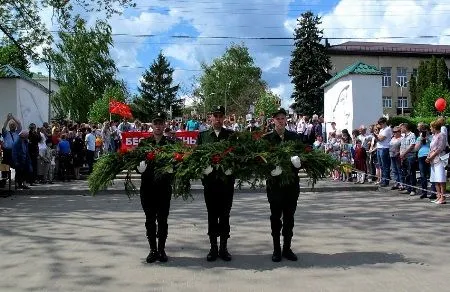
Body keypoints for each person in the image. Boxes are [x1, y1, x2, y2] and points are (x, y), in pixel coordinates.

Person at [196, 105, 235, 262]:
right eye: (215, 116)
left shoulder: (231, 135)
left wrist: (231, 169)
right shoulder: (203, 136)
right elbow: (197, 158)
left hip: (226, 184)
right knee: (212, 215)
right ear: (210, 117)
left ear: (224, 118)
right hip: (210, 184)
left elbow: (236, 157)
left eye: (220, 116)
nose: (218, 119)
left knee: (225, 215)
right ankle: (213, 247)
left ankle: (223, 248)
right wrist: (203, 170)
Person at [263, 107, 301, 262]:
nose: (280, 121)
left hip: (291, 184)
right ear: (273, 121)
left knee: (289, 218)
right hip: (275, 185)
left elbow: (304, 155)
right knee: (275, 218)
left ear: (286, 120)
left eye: (283, 118)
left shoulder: (294, 137)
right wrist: (270, 169)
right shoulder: (267, 139)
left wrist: (299, 163)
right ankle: (276, 249)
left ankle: (287, 248)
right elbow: (261, 161)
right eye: (277, 118)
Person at [139, 112, 175, 263]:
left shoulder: (170, 144)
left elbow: (178, 161)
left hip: (163, 188)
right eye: (156, 123)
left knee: (162, 219)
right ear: (152, 125)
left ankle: (161, 249)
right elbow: (136, 160)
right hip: (147, 187)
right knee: (149, 220)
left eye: (161, 123)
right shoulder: (144, 143)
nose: (158, 126)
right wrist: (138, 168)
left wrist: (173, 168)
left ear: (164, 125)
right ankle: (152, 249)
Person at [426, 120, 447, 204]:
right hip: (433, 160)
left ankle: (443, 197)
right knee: (435, 179)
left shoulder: (441, 135)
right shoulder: (434, 136)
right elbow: (431, 148)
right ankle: (438, 196)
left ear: (435, 127)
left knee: (441, 179)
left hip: (439, 159)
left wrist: (431, 157)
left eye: (431, 127)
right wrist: (428, 156)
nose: (430, 128)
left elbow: (439, 149)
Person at [1, 113, 22, 187]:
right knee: (4, 166)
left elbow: (19, 124)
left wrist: (12, 117)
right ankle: (3, 182)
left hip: (15, 152)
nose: (12, 126)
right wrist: (7, 120)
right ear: (9, 127)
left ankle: (18, 182)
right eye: (11, 125)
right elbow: (3, 128)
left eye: (13, 125)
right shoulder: (6, 133)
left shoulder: (18, 132)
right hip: (7, 152)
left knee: (18, 167)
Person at [373, 117, 392, 187]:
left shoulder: (387, 129)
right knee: (381, 165)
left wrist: (375, 135)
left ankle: (386, 180)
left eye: (380, 124)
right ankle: (383, 180)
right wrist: (376, 136)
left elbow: (380, 139)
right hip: (379, 147)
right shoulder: (381, 130)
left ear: (384, 123)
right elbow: (378, 139)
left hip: (384, 148)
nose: (380, 125)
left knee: (385, 165)